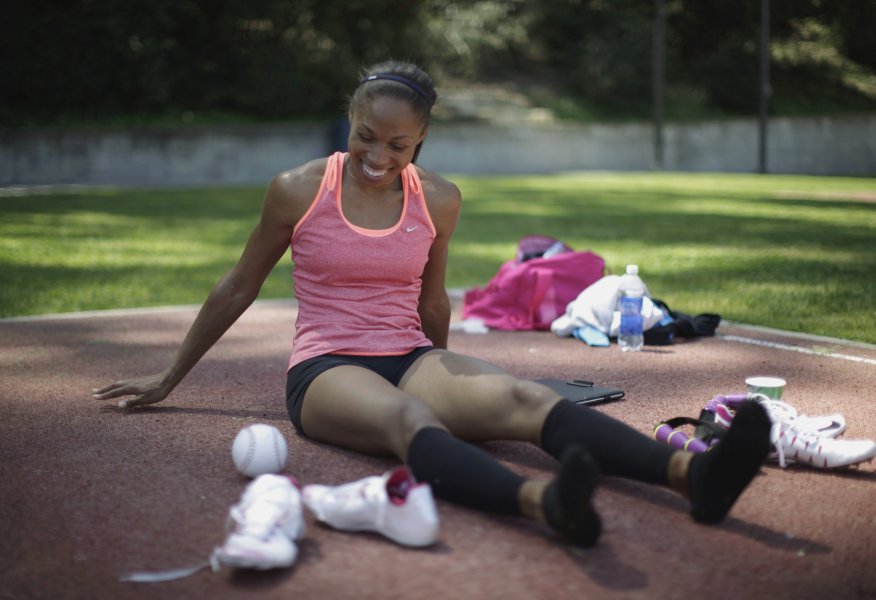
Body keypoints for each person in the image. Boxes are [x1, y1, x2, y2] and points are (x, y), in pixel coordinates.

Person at [93, 60, 772, 547]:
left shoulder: (437, 198)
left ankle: (695, 475)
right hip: (327, 368)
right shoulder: (299, 188)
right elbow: (239, 284)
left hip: (412, 352)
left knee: (521, 400)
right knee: (408, 418)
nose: (376, 155)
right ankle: (543, 502)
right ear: (349, 122)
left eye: (396, 144)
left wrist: (455, 375)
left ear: (419, 139)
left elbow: (430, 298)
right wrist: (169, 376)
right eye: (364, 135)